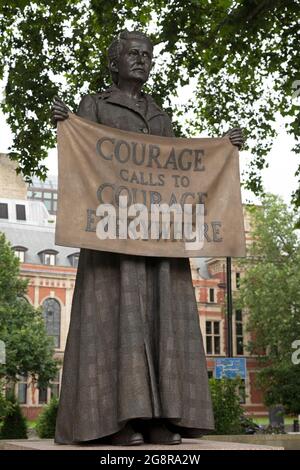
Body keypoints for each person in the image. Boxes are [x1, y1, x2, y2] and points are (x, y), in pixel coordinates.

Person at [52, 30, 244, 446]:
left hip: (156, 235)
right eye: (132, 54)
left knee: (162, 320)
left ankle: (160, 416)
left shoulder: (161, 116)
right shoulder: (96, 105)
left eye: (147, 55)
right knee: (113, 320)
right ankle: (112, 421)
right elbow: (84, 159)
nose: (141, 60)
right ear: (114, 61)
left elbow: (179, 173)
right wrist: (68, 125)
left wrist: (223, 149)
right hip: (111, 234)